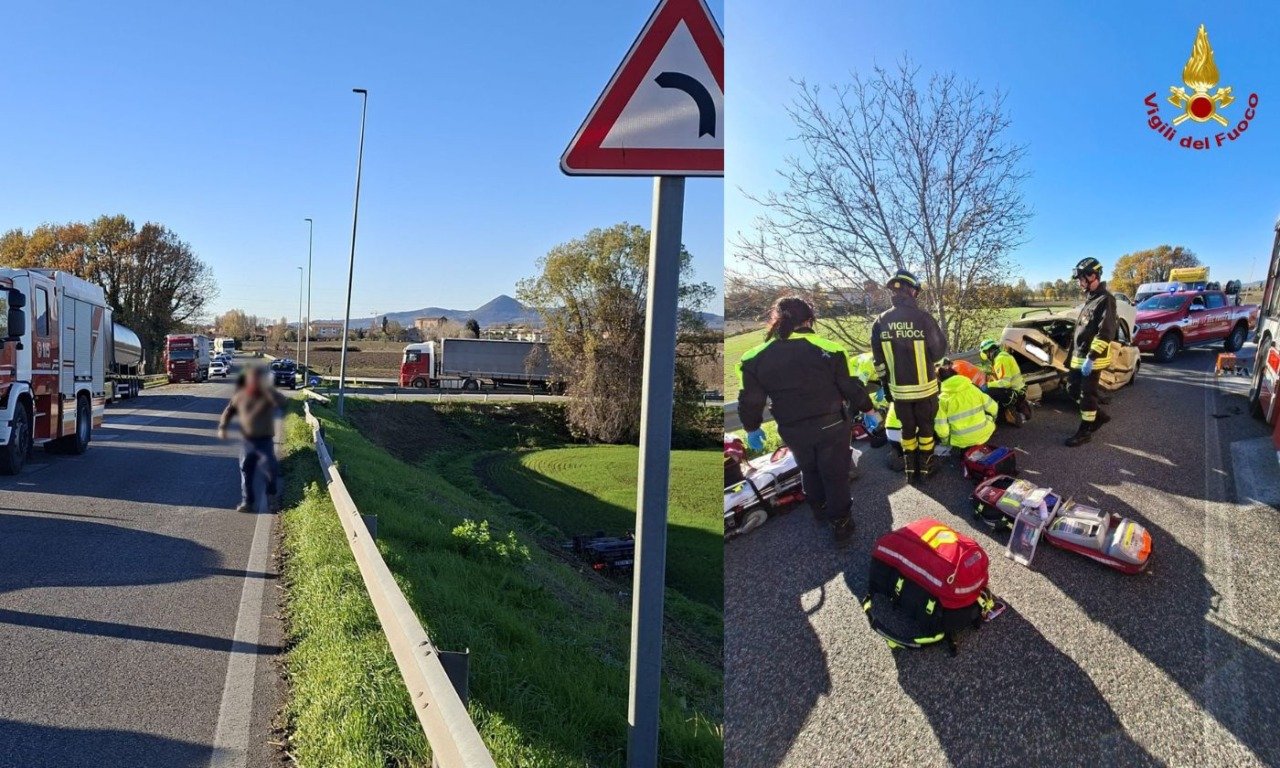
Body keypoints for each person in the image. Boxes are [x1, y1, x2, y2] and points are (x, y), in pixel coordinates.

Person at [738, 297, 880, 547]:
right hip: (832, 425)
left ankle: (819, 509)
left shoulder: (753, 357)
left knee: (809, 469)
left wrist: (752, 428)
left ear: (776, 319)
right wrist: (869, 410)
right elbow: (849, 386)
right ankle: (841, 523)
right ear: (809, 319)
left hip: (792, 428)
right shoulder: (830, 349)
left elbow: (750, 400)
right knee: (835, 474)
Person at [870, 269, 948, 483]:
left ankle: (910, 470)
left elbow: (878, 362)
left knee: (907, 429)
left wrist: (886, 386)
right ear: (913, 291)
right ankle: (926, 467)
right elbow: (938, 353)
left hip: (899, 392)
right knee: (926, 428)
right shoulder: (924, 319)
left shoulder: (880, 321)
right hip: (926, 391)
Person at [218, 364, 288, 512]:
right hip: (248, 441)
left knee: (270, 469)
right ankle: (247, 502)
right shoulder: (240, 396)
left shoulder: (267, 393)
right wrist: (223, 427)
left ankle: (272, 500)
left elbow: (283, 402)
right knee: (246, 470)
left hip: (265, 440)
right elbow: (228, 411)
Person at [1064, 257, 1117, 447]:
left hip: (1091, 359)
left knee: (1087, 395)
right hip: (1078, 357)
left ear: (1092, 276)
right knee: (1072, 389)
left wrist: (1092, 357)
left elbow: (1106, 332)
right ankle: (1099, 417)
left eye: (1081, 279)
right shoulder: (1091, 299)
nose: (1080, 283)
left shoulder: (1106, 300)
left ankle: (1085, 431)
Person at [934, 360, 998, 454]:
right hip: (983, 434)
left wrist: (946, 441)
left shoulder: (942, 399)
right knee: (988, 415)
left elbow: (942, 429)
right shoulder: (973, 388)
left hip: (960, 441)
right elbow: (993, 407)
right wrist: (993, 420)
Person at [980, 338, 1031, 426]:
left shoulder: (1000, 359)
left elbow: (1005, 383)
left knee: (989, 391)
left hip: (1016, 393)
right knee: (994, 390)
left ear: (986, 353)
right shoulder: (1002, 356)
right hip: (1019, 391)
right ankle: (1017, 410)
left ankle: (1001, 417)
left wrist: (988, 385)